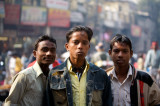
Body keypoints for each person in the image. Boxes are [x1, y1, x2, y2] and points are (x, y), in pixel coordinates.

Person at [47, 26, 112, 106]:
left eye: (84, 43)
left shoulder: (101, 75)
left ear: (88, 47)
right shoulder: (54, 74)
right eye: (76, 42)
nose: (80, 46)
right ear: (67, 46)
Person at [106, 34, 160, 105]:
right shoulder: (104, 79)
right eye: (116, 51)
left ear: (131, 53)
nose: (120, 55)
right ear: (110, 53)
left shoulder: (144, 80)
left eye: (125, 51)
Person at [4, 35, 57, 106]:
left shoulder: (54, 78)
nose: (49, 53)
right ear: (35, 54)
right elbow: (10, 103)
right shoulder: (24, 76)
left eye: (52, 50)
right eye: (44, 50)